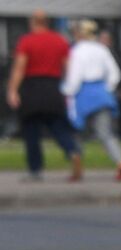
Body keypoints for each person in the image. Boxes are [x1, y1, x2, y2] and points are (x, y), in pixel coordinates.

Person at [6, 10, 82, 183]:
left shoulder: (27, 41)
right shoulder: (59, 41)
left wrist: (12, 90)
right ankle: (72, 150)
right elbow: (67, 67)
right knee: (57, 126)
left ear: (33, 22)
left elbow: (20, 67)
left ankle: (35, 170)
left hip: (32, 88)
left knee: (31, 130)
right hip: (53, 87)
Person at [63, 20, 121, 179]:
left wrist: (67, 91)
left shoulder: (77, 51)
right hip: (101, 93)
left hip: (82, 94)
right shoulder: (102, 49)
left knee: (76, 132)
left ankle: (77, 165)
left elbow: (74, 78)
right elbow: (115, 74)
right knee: (106, 133)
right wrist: (107, 89)